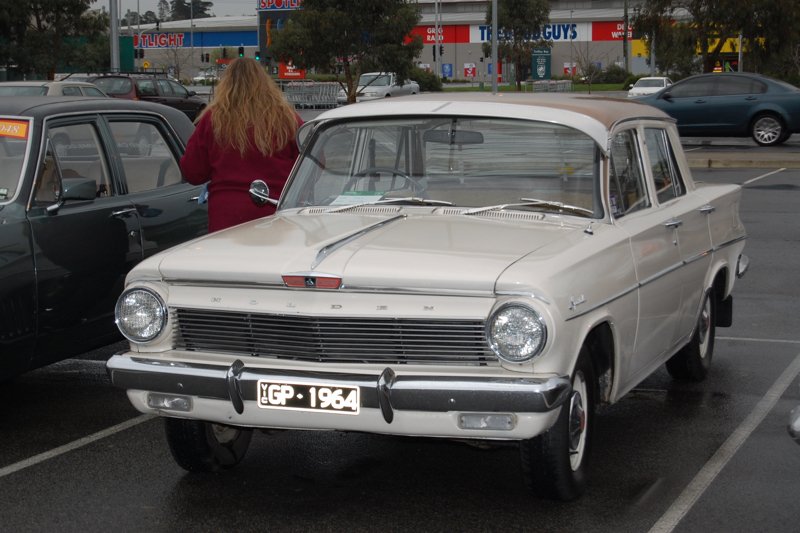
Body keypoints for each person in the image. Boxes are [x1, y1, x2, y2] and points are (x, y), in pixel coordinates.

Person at [180, 58, 303, 232]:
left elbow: (192, 171)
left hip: (227, 217)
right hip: (276, 213)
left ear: (226, 85)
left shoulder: (213, 119)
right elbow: (309, 164)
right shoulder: (287, 118)